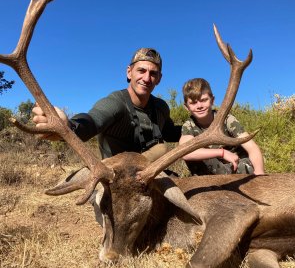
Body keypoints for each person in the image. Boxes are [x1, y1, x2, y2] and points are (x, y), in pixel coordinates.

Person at [33, 48, 181, 161]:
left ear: (159, 78)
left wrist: (200, 126)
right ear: (129, 72)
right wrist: (69, 127)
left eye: (153, 73)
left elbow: (170, 132)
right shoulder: (115, 103)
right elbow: (92, 121)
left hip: (151, 176)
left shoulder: (161, 107)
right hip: (116, 179)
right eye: (141, 70)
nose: (147, 78)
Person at [179, 78, 265, 175]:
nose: (199, 106)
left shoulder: (227, 119)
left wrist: (259, 173)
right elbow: (184, 152)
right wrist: (222, 153)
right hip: (212, 172)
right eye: (193, 103)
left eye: (203, 100)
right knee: (193, 156)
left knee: (249, 166)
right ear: (186, 107)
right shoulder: (189, 125)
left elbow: (252, 147)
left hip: (236, 167)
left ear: (212, 100)